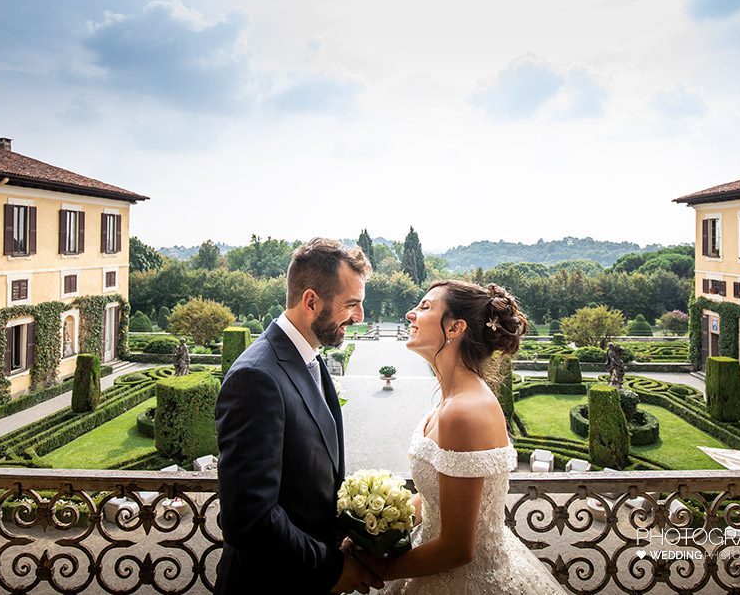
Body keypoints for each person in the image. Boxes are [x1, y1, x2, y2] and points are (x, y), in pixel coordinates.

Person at [371, 280, 564, 593]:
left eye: (424, 307)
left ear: (455, 327)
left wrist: (376, 569)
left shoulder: (464, 412)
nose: (410, 314)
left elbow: (458, 549)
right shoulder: (451, 400)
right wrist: (379, 524)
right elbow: (438, 500)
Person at [215, 238, 382, 594]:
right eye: (352, 304)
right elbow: (250, 520)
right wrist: (332, 569)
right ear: (311, 301)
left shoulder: (309, 355)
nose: (360, 317)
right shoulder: (256, 378)